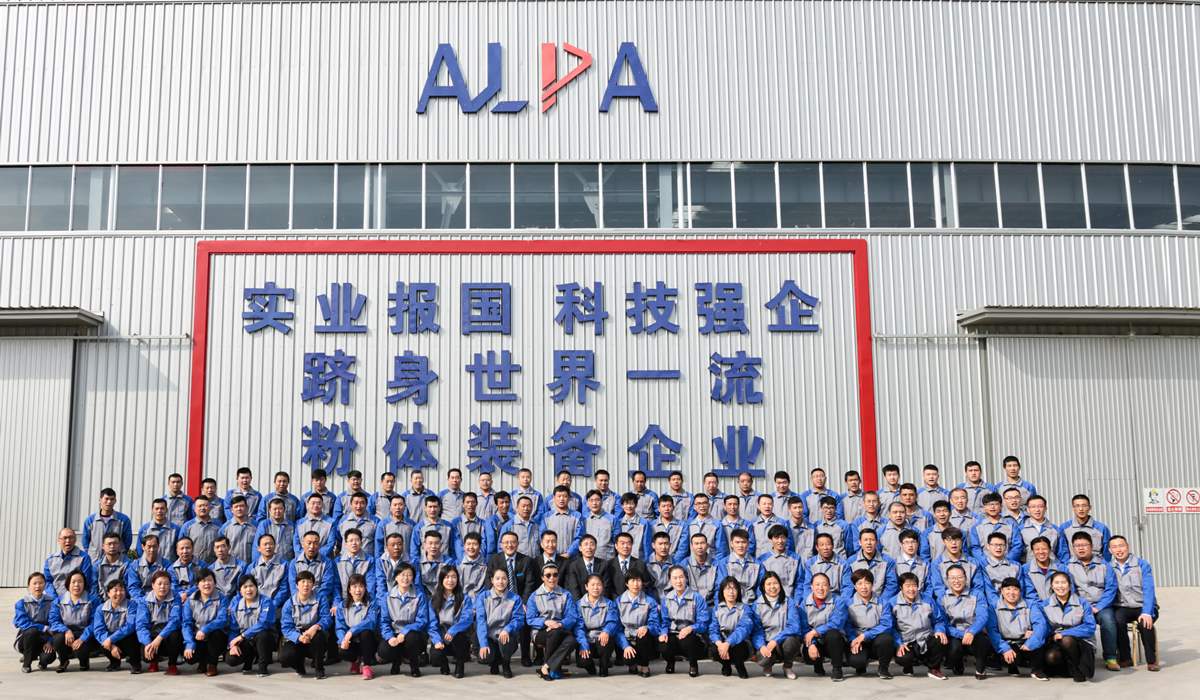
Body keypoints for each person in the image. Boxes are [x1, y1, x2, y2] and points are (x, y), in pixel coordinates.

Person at [1065, 531, 1118, 669]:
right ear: (1073, 548)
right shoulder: (1068, 566)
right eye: (1077, 546)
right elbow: (1069, 589)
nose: (1081, 548)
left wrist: (1099, 606)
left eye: (1084, 545)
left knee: (1108, 620)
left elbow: (1111, 588)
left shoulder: (1104, 565)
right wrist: (1082, 606)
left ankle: (1110, 657)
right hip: (1079, 605)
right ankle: (1081, 655)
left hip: (1101, 605)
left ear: (1092, 546)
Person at [1107, 535, 1159, 671]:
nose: (1119, 550)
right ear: (1110, 550)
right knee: (1117, 620)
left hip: (1144, 606)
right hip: (1123, 606)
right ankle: (1125, 658)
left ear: (1128, 546)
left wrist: (1147, 612)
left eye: (1121, 546)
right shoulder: (1108, 567)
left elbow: (1149, 589)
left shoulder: (1142, 564)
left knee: (1145, 623)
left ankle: (1152, 660)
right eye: (1114, 547)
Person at [986, 576, 1049, 680]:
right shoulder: (993, 607)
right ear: (1002, 591)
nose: (1011, 592)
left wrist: (1031, 642)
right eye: (1008, 589)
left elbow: (1040, 624)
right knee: (1014, 658)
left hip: (1025, 641)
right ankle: (1012, 666)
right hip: (1007, 642)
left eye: (1015, 589)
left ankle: (1037, 670)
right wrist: (1005, 648)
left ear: (1020, 591)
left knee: (1038, 641)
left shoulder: (1030, 604)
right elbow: (992, 631)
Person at [525, 562, 580, 681]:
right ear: (542, 577)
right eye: (548, 575)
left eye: (555, 575)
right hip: (541, 631)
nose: (552, 578)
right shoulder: (534, 596)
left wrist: (560, 624)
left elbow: (572, 616)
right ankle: (554, 668)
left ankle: (546, 667)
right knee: (555, 633)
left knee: (572, 641)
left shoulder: (566, 594)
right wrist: (546, 622)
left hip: (561, 628)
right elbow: (530, 619)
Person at [889, 572, 947, 679]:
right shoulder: (893, 603)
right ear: (901, 587)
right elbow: (890, 627)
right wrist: (899, 643)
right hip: (906, 641)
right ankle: (908, 666)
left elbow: (938, 620)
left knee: (940, 638)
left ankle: (934, 669)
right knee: (904, 658)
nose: (911, 589)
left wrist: (939, 630)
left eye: (914, 585)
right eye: (908, 586)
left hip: (926, 638)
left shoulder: (928, 600)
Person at [1041, 570, 1096, 682]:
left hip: (1081, 641)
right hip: (1056, 640)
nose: (1060, 586)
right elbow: (1044, 626)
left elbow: (1090, 627)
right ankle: (1067, 669)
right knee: (1051, 657)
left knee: (1067, 640)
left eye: (1063, 582)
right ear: (1052, 586)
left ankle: (1078, 670)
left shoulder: (1082, 603)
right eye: (1057, 583)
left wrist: (1064, 633)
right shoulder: (1045, 605)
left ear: (1070, 585)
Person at [938, 564, 991, 679]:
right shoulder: (942, 597)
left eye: (960, 577)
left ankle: (980, 669)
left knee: (983, 641)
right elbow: (942, 622)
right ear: (947, 580)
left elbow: (982, 616)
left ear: (966, 578)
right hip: (954, 633)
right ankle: (957, 663)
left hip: (974, 633)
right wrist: (962, 634)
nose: (956, 581)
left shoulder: (977, 594)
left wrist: (972, 631)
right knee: (954, 648)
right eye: (952, 578)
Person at [840, 569, 895, 679]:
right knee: (857, 661)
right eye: (860, 583)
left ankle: (883, 668)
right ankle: (861, 666)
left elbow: (886, 625)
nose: (864, 587)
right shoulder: (848, 604)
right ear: (855, 586)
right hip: (857, 640)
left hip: (876, 639)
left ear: (872, 585)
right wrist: (853, 640)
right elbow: (847, 626)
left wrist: (865, 635)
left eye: (867, 583)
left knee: (887, 639)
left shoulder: (883, 602)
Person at [378, 563, 430, 676]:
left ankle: (414, 665)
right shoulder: (387, 597)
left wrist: (405, 631)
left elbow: (422, 620)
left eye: (409, 575)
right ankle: (396, 661)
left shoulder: (419, 596)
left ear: (413, 578)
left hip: (412, 633)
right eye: (402, 575)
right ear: (396, 577)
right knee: (384, 651)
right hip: (394, 633)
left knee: (412, 638)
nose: (405, 578)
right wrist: (390, 637)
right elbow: (384, 621)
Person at [280, 570, 333, 678]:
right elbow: (286, 627)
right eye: (302, 581)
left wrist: (316, 627)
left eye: (309, 582)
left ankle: (319, 668)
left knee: (319, 637)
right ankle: (299, 665)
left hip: (315, 633)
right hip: (297, 635)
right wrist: (299, 637)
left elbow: (326, 618)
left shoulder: (321, 599)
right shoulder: (289, 603)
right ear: (297, 585)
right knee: (285, 657)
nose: (306, 585)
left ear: (313, 585)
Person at [658, 565, 709, 676]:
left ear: (686, 578)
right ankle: (670, 662)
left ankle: (693, 664)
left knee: (688, 641)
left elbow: (703, 623)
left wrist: (691, 628)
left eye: (681, 577)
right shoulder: (666, 599)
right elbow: (665, 621)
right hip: (673, 633)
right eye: (675, 578)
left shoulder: (697, 597)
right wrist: (663, 633)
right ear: (670, 581)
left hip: (693, 635)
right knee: (663, 644)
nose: (678, 581)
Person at [475, 567, 525, 678]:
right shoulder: (483, 597)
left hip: (506, 636)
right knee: (485, 657)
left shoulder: (515, 598)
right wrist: (483, 644)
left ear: (508, 580)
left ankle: (506, 664)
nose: (500, 582)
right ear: (492, 580)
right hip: (489, 636)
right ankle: (494, 662)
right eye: (497, 578)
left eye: (504, 578)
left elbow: (519, 619)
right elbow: (481, 621)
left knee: (505, 641)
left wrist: (507, 629)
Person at [753, 571, 803, 678]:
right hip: (766, 642)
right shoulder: (757, 605)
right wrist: (761, 646)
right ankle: (768, 666)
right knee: (764, 658)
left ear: (780, 584)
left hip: (783, 641)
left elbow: (794, 626)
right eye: (768, 584)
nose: (772, 587)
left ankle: (787, 666)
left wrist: (776, 640)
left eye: (775, 583)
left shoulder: (789, 602)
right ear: (763, 587)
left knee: (792, 642)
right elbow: (757, 630)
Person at [226, 574, 277, 677]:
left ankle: (263, 667)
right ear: (240, 591)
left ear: (256, 588)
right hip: (246, 640)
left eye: (251, 586)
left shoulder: (266, 601)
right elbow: (233, 629)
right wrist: (233, 645)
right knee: (231, 659)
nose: (248, 589)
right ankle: (248, 661)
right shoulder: (236, 605)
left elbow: (264, 623)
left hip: (265, 638)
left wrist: (242, 636)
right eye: (245, 587)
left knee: (263, 635)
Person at [799, 572, 847, 681]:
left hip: (833, 641)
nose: (820, 588)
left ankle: (837, 669)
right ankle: (818, 664)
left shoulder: (838, 601)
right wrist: (811, 644)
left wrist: (816, 631)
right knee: (807, 652)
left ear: (829, 587)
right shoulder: (804, 604)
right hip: (815, 640)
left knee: (833, 634)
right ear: (811, 587)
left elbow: (837, 622)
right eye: (817, 584)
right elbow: (804, 628)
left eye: (824, 585)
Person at [49, 570, 99, 672]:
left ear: (84, 584)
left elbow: (95, 622)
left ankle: (84, 661)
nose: (76, 585)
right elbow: (53, 621)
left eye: (80, 582)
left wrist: (83, 638)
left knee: (81, 650)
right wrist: (66, 630)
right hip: (67, 633)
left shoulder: (93, 600)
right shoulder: (58, 601)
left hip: (85, 633)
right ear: (68, 584)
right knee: (57, 639)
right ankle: (63, 661)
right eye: (73, 582)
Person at [428, 565, 474, 677]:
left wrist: (453, 630)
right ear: (441, 579)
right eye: (447, 577)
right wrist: (437, 640)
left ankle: (459, 665)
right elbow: (432, 624)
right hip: (442, 637)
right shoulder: (434, 600)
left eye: (453, 577)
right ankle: (444, 664)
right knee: (435, 657)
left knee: (460, 638)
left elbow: (467, 619)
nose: (450, 580)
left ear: (458, 579)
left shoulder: (464, 598)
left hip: (458, 637)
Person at [181, 568, 227, 677]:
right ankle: (202, 662)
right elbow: (186, 623)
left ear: (214, 583)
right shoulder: (190, 600)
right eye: (203, 581)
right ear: (197, 584)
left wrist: (205, 629)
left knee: (217, 633)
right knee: (190, 658)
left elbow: (222, 619)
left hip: (215, 637)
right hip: (197, 637)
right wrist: (189, 643)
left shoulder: (222, 598)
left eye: (209, 580)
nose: (206, 584)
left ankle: (212, 664)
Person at [89, 579, 141, 673]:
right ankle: (114, 662)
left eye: (122, 590)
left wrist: (111, 639)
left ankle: (135, 663)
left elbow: (130, 626)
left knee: (132, 637)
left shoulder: (132, 605)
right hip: (110, 639)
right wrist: (111, 644)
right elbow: (98, 630)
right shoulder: (100, 609)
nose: (119, 593)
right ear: (108, 593)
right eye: (115, 590)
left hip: (126, 637)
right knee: (102, 640)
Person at [136, 570, 183, 674]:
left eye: (166, 584)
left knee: (175, 634)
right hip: (153, 634)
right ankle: (153, 662)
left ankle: (172, 664)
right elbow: (141, 625)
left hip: (168, 635)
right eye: (159, 584)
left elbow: (175, 621)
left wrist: (159, 638)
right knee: (146, 653)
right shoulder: (144, 601)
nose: (163, 587)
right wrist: (147, 643)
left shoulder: (175, 597)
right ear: (153, 585)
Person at [335, 572, 380, 680]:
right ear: (349, 590)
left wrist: (351, 631)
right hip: (352, 641)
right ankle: (355, 661)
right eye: (354, 587)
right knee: (341, 650)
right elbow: (340, 626)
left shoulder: (372, 603)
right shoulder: (342, 605)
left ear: (365, 588)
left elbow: (371, 622)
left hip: (368, 641)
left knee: (366, 632)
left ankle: (366, 666)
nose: (358, 590)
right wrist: (343, 640)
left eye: (361, 586)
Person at [709, 576, 756, 678]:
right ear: (722, 592)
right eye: (727, 589)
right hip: (723, 643)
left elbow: (743, 629)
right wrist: (719, 644)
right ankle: (726, 665)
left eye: (734, 588)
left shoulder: (745, 609)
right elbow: (713, 629)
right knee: (714, 649)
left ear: (738, 591)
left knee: (738, 648)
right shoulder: (717, 609)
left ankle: (739, 665)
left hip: (741, 643)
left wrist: (728, 643)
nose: (731, 592)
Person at [573, 573, 619, 676]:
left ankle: (604, 666)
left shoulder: (609, 604)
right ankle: (591, 668)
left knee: (607, 639)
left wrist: (606, 631)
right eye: (592, 585)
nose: (596, 588)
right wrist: (583, 643)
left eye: (599, 585)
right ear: (586, 587)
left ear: (602, 587)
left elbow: (612, 621)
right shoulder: (578, 605)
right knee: (582, 661)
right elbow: (578, 627)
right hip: (586, 638)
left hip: (602, 638)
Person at [14, 571, 58, 673]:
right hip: (26, 639)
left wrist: (50, 641)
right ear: (29, 586)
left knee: (49, 657)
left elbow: (55, 622)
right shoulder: (22, 603)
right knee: (32, 631)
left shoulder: (52, 602)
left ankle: (42, 662)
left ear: (45, 585)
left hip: (44, 639)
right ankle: (27, 663)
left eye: (41, 583)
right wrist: (43, 627)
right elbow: (22, 622)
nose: (38, 586)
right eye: (34, 583)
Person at [929, 527, 985, 599]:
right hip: (947, 601)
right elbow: (939, 589)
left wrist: (966, 601)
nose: (953, 543)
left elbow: (978, 588)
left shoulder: (973, 563)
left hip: (970, 600)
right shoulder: (936, 564)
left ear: (962, 541)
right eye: (949, 540)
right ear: (944, 541)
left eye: (957, 539)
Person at [842, 529, 898, 600]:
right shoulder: (851, 562)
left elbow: (891, 585)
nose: (869, 543)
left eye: (872, 540)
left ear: (877, 542)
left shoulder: (888, 561)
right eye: (865, 540)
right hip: (857, 602)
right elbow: (848, 586)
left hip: (880, 601)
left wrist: (881, 602)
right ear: (860, 542)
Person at [289, 531, 337, 611]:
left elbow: (326, 586)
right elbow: (293, 586)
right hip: (299, 602)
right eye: (309, 543)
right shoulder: (294, 563)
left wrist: (314, 601)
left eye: (315, 543)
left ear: (319, 545)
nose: (312, 546)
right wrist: (302, 600)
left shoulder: (327, 562)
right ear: (302, 544)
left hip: (319, 602)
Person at [82, 487, 134, 560]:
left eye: (112, 499)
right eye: (106, 499)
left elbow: (127, 541)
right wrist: (91, 554)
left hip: (117, 560)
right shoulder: (90, 520)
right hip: (95, 560)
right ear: (100, 500)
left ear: (115, 501)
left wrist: (121, 552)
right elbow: (85, 540)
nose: (109, 502)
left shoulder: (123, 520)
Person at [969, 492, 1023, 562]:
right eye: (989, 504)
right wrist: (986, 563)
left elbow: (1017, 546)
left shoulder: (1011, 524)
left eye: (996, 504)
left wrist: (1007, 562)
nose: (992, 507)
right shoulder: (977, 527)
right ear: (984, 507)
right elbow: (975, 548)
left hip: (1008, 564)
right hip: (985, 565)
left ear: (1001, 506)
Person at [1059, 494, 1112, 562]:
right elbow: (1063, 551)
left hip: (1097, 566)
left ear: (1090, 507)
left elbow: (1107, 552)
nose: (1081, 509)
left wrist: (1103, 566)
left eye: (1084, 505)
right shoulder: (1064, 528)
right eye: (1077, 506)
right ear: (1073, 508)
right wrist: (1068, 566)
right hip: (1073, 566)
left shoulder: (1102, 528)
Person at [718, 528, 764, 604]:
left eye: (743, 542)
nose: (740, 545)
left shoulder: (757, 564)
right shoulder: (724, 563)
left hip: (752, 604)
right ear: (731, 544)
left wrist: (757, 605)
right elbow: (720, 587)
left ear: (748, 544)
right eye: (737, 542)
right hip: (731, 604)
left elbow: (761, 588)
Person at [759, 525, 804, 598]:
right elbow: (760, 584)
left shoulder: (796, 558)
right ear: (771, 539)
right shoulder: (763, 560)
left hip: (790, 599)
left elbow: (799, 583)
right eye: (776, 538)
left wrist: (796, 601)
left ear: (786, 539)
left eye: (783, 537)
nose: (780, 541)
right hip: (770, 599)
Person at [248, 533, 290, 611]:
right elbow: (248, 587)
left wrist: (271, 605)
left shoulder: (284, 565)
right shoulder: (252, 567)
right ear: (259, 548)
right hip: (256, 605)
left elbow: (284, 589)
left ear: (275, 546)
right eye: (265, 544)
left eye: (271, 544)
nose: (268, 547)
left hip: (277, 606)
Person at [334, 528, 375, 606]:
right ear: (345, 544)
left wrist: (367, 602)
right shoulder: (337, 561)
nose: (354, 543)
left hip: (363, 601)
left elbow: (370, 584)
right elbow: (336, 585)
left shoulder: (369, 560)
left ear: (361, 543)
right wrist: (337, 603)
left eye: (357, 540)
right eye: (351, 540)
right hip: (344, 601)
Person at [681, 492, 728, 560]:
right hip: (693, 563)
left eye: (704, 503)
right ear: (694, 507)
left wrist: (716, 564)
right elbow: (685, 548)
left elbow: (721, 550)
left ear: (709, 505)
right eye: (699, 503)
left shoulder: (717, 525)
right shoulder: (689, 525)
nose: (702, 506)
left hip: (712, 562)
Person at [978, 532, 1022, 603]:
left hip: (1014, 603)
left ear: (1006, 547)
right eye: (995, 545)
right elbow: (989, 592)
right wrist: (1000, 606)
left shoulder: (1016, 566)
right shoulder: (983, 565)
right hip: (994, 604)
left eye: (1001, 545)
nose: (998, 548)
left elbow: (1020, 588)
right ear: (988, 546)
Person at [564, 534, 611, 600]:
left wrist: (599, 603)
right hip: (580, 603)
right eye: (586, 544)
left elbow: (606, 587)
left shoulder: (603, 564)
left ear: (596, 547)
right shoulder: (573, 566)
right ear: (580, 548)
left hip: (600, 603)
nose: (589, 547)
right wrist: (581, 604)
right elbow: (574, 589)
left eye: (592, 544)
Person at [605, 532, 651, 599]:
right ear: (616, 546)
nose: (625, 546)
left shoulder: (640, 564)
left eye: (628, 543)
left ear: (632, 545)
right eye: (622, 543)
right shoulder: (609, 564)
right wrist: (617, 600)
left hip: (636, 601)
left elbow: (646, 584)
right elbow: (607, 587)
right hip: (615, 601)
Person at [543, 485, 585, 557]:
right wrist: (552, 552)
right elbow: (543, 536)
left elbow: (579, 537)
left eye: (565, 496)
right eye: (559, 496)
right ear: (554, 498)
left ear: (569, 498)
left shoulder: (577, 516)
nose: (561, 499)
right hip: (552, 556)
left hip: (572, 557)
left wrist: (569, 553)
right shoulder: (546, 517)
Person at [295, 493, 338, 559]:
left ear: (322, 505)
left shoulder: (331, 523)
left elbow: (330, 543)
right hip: (302, 559)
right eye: (313, 503)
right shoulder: (299, 523)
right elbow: (296, 543)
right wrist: (305, 556)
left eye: (318, 503)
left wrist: (315, 556)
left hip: (323, 560)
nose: (315, 506)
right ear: (307, 505)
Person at [452, 491, 496, 558]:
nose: (470, 505)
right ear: (463, 504)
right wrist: (464, 559)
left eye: (473, 502)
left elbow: (483, 543)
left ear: (476, 504)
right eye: (467, 502)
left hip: (479, 560)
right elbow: (457, 544)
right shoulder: (456, 523)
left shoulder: (483, 523)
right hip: (461, 560)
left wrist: (477, 558)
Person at [1021, 536, 1065, 602]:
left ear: (1050, 550)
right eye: (1037, 549)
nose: (1041, 552)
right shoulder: (1025, 569)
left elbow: (1067, 592)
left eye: (1044, 549)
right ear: (1032, 551)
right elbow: (1030, 596)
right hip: (1036, 606)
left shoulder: (1062, 568)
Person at [180, 495, 222, 564]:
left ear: (210, 507)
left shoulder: (218, 525)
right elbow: (180, 547)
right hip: (194, 565)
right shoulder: (187, 526)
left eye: (205, 505)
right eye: (200, 506)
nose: (202, 508)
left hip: (214, 565)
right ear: (194, 509)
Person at [804, 533, 846, 599]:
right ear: (817, 547)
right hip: (816, 598)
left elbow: (847, 587)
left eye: (828, 544)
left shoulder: (843, 564)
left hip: (836, 598)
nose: (825, 548)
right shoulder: (810, 564)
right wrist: (810, 601)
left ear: (832, 546)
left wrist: (841, 602)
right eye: (822, 545)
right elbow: (807, 586)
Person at [582, 489, 620, 560]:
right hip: (588, 559)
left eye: (597, 500)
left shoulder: (613, 519)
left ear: (602, 501)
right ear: (587, 503)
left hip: (607, 559)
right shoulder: (583, 519)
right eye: (591, 500)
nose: (594, 503)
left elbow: (617, 540)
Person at [338, 492, 379, 558]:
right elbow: (338, 539)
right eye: (356, 503)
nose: (359, 506)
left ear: (366, 504)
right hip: (346, 560)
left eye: (362, 503)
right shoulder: (343, 521)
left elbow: (378, 544)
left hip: (367, 561)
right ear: (351, 504)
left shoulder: (375, 521)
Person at [256, 497, 297, 561]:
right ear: (270, 511)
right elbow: (257, 546)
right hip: (269, 563)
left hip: (287, 563)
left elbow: (295, 546)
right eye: (274, 509)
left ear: (284, 510)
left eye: (280, 509)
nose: (277, 511)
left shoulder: (291, 526)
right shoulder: (264, 525)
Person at [374, 495, 414, 559]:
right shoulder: (383, 524)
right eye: (395, 505)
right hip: (388, 561)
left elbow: (414, 546)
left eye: (400, 505)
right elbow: (378, 546)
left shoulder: (411, 524)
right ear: (390, 507)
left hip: (406, 560)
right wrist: (379, 561)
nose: (397, 507)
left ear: (405, 507)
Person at [209, 537, 248, 602]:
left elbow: (243, 588)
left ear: (229, 547)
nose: (220, 550)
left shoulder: (241, 566)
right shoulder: (210, 570)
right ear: (214, 549)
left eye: (223, 546)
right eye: (217, 547)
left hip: (237, 601)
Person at [93, 532, 131, 599]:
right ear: (103, 546)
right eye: (109, 544)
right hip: (100, 600)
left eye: (115, 543)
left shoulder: (128, 564)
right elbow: (93, 588)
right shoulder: (97, 566)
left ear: (119, 545)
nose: (112, 546)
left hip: (121, 599)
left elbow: (128, 587)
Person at [683, 533, 719, 602]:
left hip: (711, 604)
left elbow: (718, 589)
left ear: (707, 545)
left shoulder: (716, 564)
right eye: (696, 544)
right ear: (691, 546)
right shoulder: (684, 565)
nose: (699, 547)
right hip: (691, 603)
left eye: (702, 543)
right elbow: (683, 589)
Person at [617, 492, 652, 559]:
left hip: (639, 559)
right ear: (622, 506)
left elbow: (647, 546)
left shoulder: (644, 523)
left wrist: (646, 561)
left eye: (631, 503)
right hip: (622, 559)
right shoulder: (618, 523)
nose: (629, 506)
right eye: (626, 504)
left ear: (636, 505)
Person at [751, 494, 788, 558]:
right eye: (764, 504)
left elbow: (787, 543)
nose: (767, 506)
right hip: (759, 559)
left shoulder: (782, 523)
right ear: (758, 506)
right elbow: (750, 544)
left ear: (773, 505)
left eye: (770, 504)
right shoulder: (753, 523)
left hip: (777, 559)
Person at [416, 530, 453, 594]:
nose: (433, 546)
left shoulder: (449, 562)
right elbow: (417, 585)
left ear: (441, 545)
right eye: (430, 543)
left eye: (436, 543)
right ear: (424, 545)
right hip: (423, 597)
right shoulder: (416, 562)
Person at [644, 531, 676, 599]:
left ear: (670, 545)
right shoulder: (645, 564)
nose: (663, 547)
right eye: (660, 544)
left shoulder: (676, 564)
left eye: (666, 544)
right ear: (653, 545)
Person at [457, 531, 489, 598]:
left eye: (474, 544)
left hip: (479, 599)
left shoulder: (486, 565)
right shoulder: (458, 565)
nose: (471, 547)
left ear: (480, 547)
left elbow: (484, 588)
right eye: (468, 544)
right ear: (464, 546)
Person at [168, 537, 201, 601]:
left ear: (193, 549)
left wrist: (187, 593)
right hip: (178, 599)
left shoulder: (202, 566)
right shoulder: (172, 569)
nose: (185, 551)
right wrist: (181, 595)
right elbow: (173, 587)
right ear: (177, 551)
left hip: (197, 598)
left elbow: (201, 584)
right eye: (182, 548)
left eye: (188, 548)